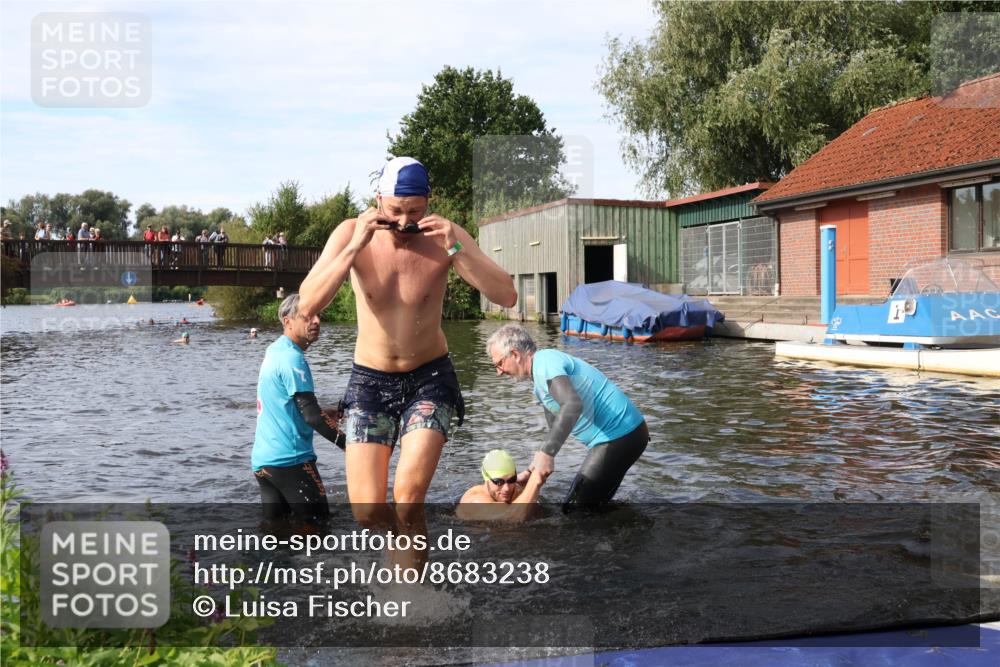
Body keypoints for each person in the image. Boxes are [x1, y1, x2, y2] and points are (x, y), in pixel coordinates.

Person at [297, 156, 516, 528]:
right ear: (378, 200)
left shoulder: (445, 236)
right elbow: (307, 305)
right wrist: (354, 248)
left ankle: (411, 587)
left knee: (408, 500)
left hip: (429, 378)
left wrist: (455, 250)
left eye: (415, 211)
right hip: (370, 380)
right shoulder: (351, 232)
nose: (404, 221)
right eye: (396, 211)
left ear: (429, 201)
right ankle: (400, 571)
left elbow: (507, 295)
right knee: (366, 511)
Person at [486, 324, 649, 507]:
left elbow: (572, 405)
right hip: (624, 436)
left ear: (515, 354)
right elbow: (555, 429)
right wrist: (533, 469)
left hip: (619, 437)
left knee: (575, 512)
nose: (498, 372)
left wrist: (547, 454)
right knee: (593, 507)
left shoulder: (545, 364)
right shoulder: (540, 376)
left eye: (499, 363)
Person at [251, 293, 345, 524]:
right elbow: (312, 416)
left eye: (318, 315)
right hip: (291, 461)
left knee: (277, 534)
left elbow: (287, 405)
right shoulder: (293, 358)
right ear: (287, 321)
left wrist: (324, 412)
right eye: (308, 316)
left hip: (264, 462)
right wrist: (351, 446)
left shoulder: (274, 350)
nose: (316, 321)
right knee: (320, 530)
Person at [457, 449, 544, 522]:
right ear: (486, 478)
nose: (506, 489)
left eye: (511, 480)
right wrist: (535, 481)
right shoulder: (475, 500)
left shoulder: (515, 488)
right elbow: (512, 517)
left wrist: (529, 473)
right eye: (499, 482)